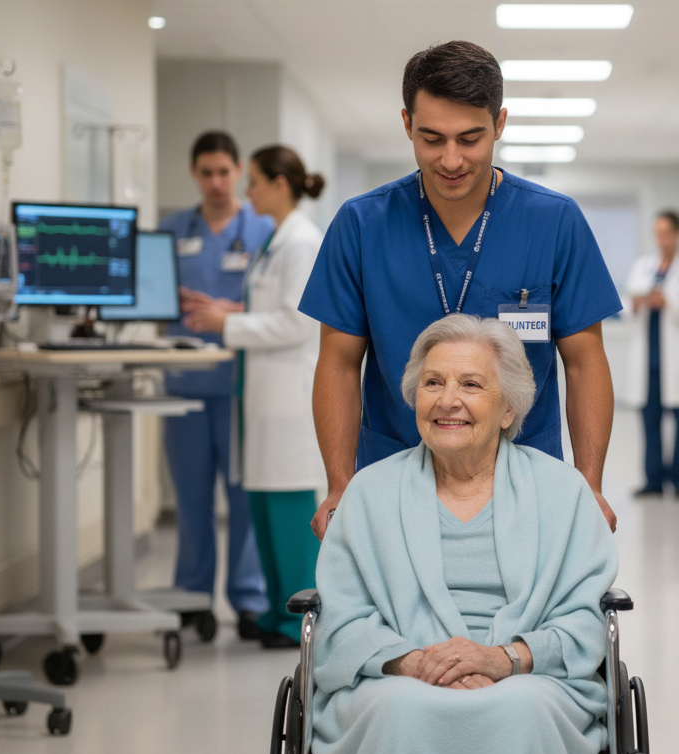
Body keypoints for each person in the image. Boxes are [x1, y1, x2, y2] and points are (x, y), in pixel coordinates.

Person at [298, 41, 621, 539]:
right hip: (394, 473)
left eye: (470, 138)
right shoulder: (362, 225)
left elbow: (584, 361)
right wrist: (341, 485)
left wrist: (589, 485)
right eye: (431, 138)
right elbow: (338, 363)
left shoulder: (553, 221)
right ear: (406, 125)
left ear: (500, 124)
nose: (451, 159)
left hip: (526, 477)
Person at [310, 314, 617, 754]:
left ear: (509, 408)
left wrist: (503, 659)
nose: (448, 400)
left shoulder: (562, 491)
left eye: (471, 385)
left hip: (529, 676)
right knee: (401, 709)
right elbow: (341, 620)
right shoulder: (368, 493)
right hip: (398, 674)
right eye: (433, 382)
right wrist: (415, 663)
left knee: (521, 708)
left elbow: (585, 623)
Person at [182, 144, 328, 649]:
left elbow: (296, 321)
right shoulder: (278, 241)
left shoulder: (301, 241)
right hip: (263, 397)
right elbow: (269, 303)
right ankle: (273, 610)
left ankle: (297, 620)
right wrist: (231, 310)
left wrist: (229, 322)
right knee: (263, 503)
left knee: (287, 508)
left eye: (255, 182)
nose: (248, 193)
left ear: (280, 185)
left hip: (288, 399)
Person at [159, 130, 274, 638]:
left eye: (224, 172)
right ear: (193, 174)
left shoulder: (265, 230)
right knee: (191, 498)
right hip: (184, 383)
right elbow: (157, 302)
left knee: (243, 497)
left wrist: (224, 312)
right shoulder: (170, 231)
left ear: (238, 170)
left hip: (238, 385)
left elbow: (280, 306)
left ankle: (248, 598)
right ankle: (191, 596)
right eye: (206, 173)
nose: (216, 183)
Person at [623, 210, 679, 499]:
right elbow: (625, 306)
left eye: (666, 233)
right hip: (648, 360)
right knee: (650, 421)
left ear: (678, 233)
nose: (661, 239)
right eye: (657, 233)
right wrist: (637, 304)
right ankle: (653, 481)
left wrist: (668, 302)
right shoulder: (643, 265)